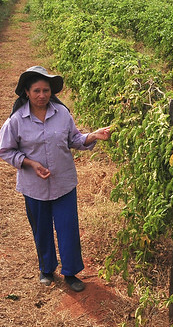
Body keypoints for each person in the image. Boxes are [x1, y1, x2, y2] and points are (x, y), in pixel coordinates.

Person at [0, 66, 111, 292]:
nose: (42, 95)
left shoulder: (62, 114)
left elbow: (74, 139)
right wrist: (30, 163)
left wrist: (92, 136)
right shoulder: (16, 120)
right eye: (37, 91)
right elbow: (5, 150)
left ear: (52, 92)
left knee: (68, 227)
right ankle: (46, 268)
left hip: (64, 183)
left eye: (46, 90)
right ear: (27, 93)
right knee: (41, 228)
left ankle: (70, 272)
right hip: (34, 186)